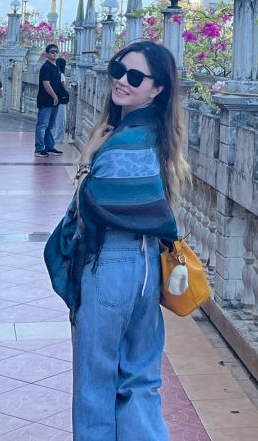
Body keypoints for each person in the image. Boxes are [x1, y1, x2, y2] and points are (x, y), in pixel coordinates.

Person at [68, 40, 184, 440]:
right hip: (147, 265)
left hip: (112, 263)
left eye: (135, 76)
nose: (121, 81)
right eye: (118, 70)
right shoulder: (157, 133)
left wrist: (85, 159)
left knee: (95, 383)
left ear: (157, 88)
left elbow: (92, 204)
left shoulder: (126, 141)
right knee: (139, 381)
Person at [35, 44, 63, 156]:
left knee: (50, 125)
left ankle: (49, 146)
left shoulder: (57, 66)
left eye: (56, 51)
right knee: (42, 125)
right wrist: (54, 96)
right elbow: (46, 84)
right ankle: (39, 148)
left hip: (55, 102)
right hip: (46, 101)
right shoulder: (45, 67)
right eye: (52, 52)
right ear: (46, 54)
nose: (55, 53)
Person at [52, 53, 70, 148]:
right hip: (61, 99)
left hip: (54, 98)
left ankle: (55, 137)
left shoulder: (55, 72)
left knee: (55, 119)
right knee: (61, 120)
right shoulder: (61, 74)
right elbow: (62, 86)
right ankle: (59, 138)